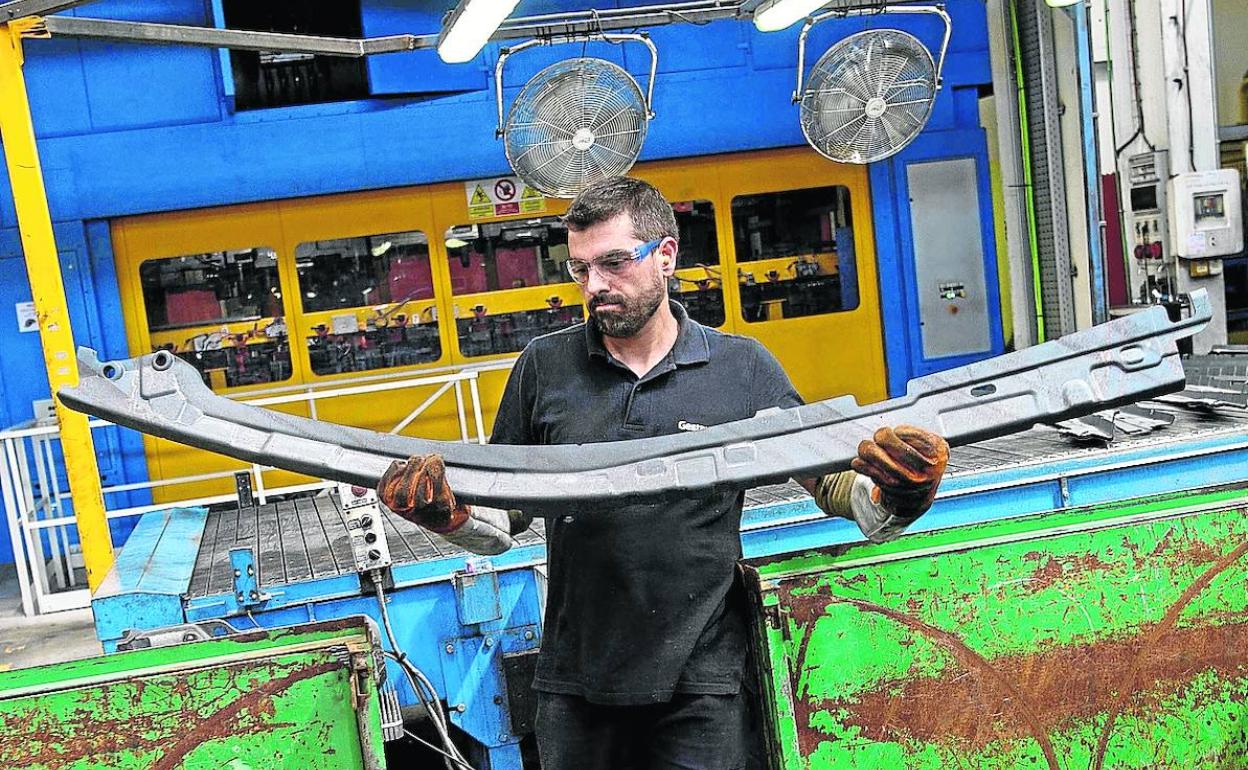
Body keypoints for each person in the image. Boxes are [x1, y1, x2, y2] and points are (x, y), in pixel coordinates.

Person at [377, 176, 949, 770]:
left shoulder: (741, 370)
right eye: (580, 270)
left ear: (666, 255)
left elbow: (838, 490)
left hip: (703, 684)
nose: (595, 286)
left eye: (614, 262)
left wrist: (900, 497)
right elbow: (504, 519)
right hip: (577, 684)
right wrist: (450, 517)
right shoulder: (545, 368)